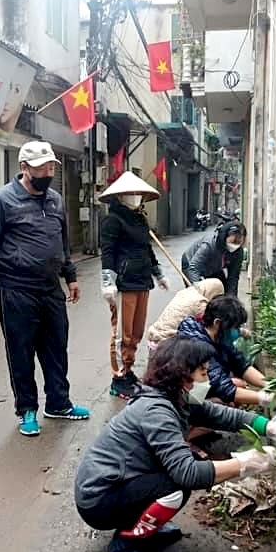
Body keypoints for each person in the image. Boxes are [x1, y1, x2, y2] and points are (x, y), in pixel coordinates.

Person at [74, 337, 276, 552]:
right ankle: (124, 547)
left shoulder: (172, 398)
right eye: (203, 372)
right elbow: (188, 474)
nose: (208, 379)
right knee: (177, 485)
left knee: (180, 474)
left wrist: (271, 427)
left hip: (118, 484)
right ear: (183, 376)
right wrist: (247, 463)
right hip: (99, 500)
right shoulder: (156, 411)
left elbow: (221, 415)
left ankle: (146, 528)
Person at [0, 140, 90, 437]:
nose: (49, 172)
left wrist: (70, 276)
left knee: (56, 348)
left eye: (51, 167)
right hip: (17, 289)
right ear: (24, 167)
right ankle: (27, 410)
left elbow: (61, 243)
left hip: (50, 288)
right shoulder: (2, 200)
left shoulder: (56, 200)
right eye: (43, 167)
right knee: (21, 351)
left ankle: (59, 403)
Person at [99, 171, 169, 399]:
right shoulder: (113, 220)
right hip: (123, 283)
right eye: (131, 193)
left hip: (142, 281)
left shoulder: (140, 219)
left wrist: (157, 273)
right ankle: (118, 378)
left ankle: (128, 371)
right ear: (120, 196)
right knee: (122, 334)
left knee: (137, 332)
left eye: (138, 193)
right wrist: (108, 281)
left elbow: (147, 248)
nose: (135, 197)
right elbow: (108, 251)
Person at [177, 294, 270, 408]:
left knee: (238, 386)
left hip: (200, 390)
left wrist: (270, 385)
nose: (238, 332)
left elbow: (241, 365)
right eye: (235, 327)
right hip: (185, 398)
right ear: (217, 323)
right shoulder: (197, 346)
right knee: (224, 403)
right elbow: (222, 387)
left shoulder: (219, 338)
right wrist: (267, 399)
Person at [147, 277, 224, 350]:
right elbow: (208, 329)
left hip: (153, 336)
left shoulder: (185, 292)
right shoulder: (201, 303)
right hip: (168, 342)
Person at [181, 221, 246, 295]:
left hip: (214, 267)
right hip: (191, 263)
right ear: (225, 237)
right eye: (233, 241)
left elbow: (233, 278)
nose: (235, 245)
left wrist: (231, 299)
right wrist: (198, 289)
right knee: (196, 294)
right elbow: (194, 268)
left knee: (221, 293)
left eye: (239, 242)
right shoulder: (209, 245)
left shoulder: (238, 252)